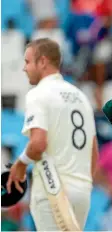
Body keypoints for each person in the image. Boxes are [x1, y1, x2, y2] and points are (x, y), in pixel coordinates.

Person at [6, 38, 98, 231]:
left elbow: (38, 144)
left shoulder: (38, 94)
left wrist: (20, 164)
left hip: (53, 190)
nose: (24, 68)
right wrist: (83, 185)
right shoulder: (81, 97)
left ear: (43, 62)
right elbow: (93, 151)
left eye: (28, 62)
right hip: (82, 191)